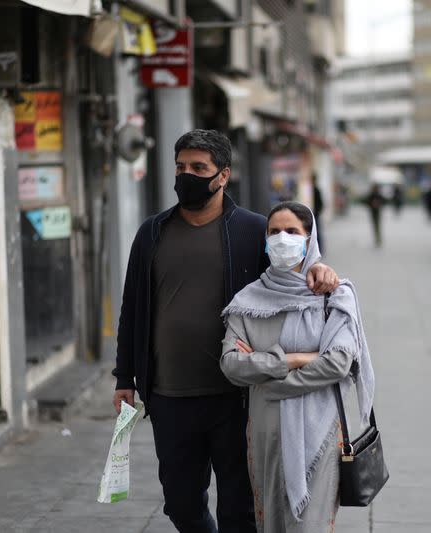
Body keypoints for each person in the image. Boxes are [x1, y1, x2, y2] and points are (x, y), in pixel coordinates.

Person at [111, 130, 339, 533]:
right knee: (180, 505)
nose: (187, 175)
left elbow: (295, 265)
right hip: (168, 396)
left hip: (237, 398)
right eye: (181, 167)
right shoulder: (152, 232)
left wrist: (321, 269)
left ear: (223, 175)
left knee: (240, 510)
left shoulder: (252, 230)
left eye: (199, 168)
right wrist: (124, 376)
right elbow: (133, 308)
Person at [219, 201, 375, 533]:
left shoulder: (332, 297)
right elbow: (232, 366)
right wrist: (293, 359)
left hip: (319, 432)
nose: (282, 238)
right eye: (274, 232)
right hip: (265, 434)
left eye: (292, 231)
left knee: (311, 527)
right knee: (271, 522)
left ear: (310, 238)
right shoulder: (248, 301)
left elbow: (338, 362)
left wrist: (269, 379)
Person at [311, 174, 325, 253]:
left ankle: (320, 249)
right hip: (313, 214)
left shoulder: (315, 190)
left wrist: (317, 212)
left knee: (317, 232)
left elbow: (321, 203)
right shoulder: (310, 189)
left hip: (315, 214)